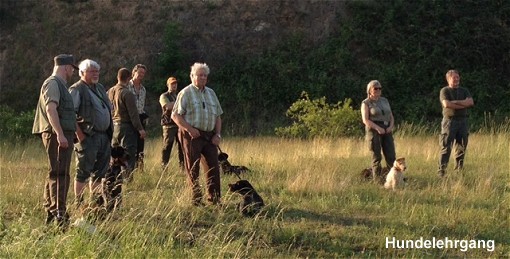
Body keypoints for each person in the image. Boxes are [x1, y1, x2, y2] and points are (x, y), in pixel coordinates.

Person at [32, 54, 77, 227]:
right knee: (59, 174)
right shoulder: (53, 83)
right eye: (72, 68)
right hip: (56, 135)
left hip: (61, 135)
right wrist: (60, 134)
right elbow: (51, 110)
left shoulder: (59, 85)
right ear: (66, 67)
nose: (72, 71)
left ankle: (53, 212)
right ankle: (59, 213)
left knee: (57, 172)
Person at [172, 63, 224, 206]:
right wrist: (189, 129)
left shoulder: (211, 93)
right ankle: (196, 200)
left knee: (213, 166)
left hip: (210, 136)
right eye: (199, 75)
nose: (202, 77)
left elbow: (218, 116)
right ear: (192, 76)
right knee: (192, 167)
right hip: (192, 136)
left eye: (204, 75)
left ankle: (214, 200)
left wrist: (218, 135)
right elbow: (175, 116)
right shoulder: (185, 93)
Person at [69, 59, 112, 209]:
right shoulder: (76, 89)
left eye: (97, 71)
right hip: (88, 136)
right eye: (92, 71)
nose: (96, 74)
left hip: (103, 136)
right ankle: (79, 204)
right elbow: (70, 114)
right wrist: (80, 136)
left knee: (100, 173)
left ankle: (96, 204)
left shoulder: (99, 87)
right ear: (82, 73)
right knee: (83, 171)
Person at [108, 68, 147, 181]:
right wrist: (140, 129)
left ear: (118, 77)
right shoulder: (127, 93)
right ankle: (128, 180)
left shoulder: (111, 91)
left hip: (114, 126)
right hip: (126, 127)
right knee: (128, 155)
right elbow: (133, 114)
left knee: (115, 155)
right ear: (129, 78)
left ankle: (114, 178)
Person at [438, 70, 474, 177]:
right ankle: (442, 171)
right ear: (448, 79)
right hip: (449, 122)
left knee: (461, 146)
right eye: (454, 78)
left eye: (458, 77)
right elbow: (446, 104)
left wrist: (455, 102)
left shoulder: (464, 90)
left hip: (462, 121)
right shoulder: (445, 91)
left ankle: (459, 170)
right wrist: (463, 104)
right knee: (446, 147)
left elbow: (471, 102)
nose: (457, 79)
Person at [361, 80, 396, 182]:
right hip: (374, 129)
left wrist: (390, 127)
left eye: (380, 88)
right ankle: (377, 180)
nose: (378, 90)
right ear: (370, 90)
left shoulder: (384, 101)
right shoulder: (366, 103)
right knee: (376, 156)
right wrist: (377, 128)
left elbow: (391, 116)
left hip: (387, 128)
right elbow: (365, 120)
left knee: (391, 155)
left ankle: (393, 179)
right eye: (375, 88)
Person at [159, 76, 184, 169]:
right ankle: (164, 167)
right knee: (167, 147)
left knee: (182, 147)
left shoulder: (178, 95)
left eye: (175, 83)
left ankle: (183, 168)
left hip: (179, 124)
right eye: (172, 84)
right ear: (168, 85)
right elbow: (168, 106)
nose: (174, 85)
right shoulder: (164, 96)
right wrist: (180, 102)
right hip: (168, 125)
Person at [127, 64, 148, 170]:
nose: (141, 75)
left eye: (143, 73)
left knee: (140, 146)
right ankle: (128, 170)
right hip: (129, 119)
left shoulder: (143, 89)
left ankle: (140, 169)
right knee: (130, 146)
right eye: (139, 72)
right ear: (133, 72)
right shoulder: (126, 86)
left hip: (140, 118)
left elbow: (142, 106)